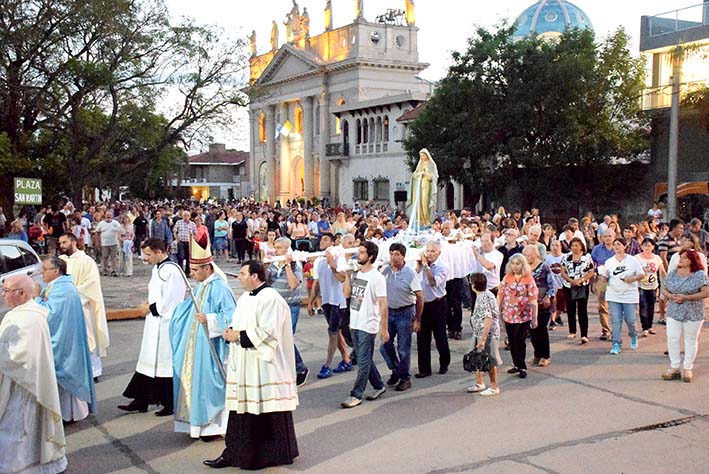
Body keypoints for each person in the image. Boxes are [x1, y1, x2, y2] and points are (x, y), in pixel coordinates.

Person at [204, 261, 298, 470]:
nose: (239, 277)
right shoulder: (246, 297)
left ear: (255, 276)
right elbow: (239, 322)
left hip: (263, 366)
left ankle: (263, 456)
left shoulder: (271, 298)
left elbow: (268, 332)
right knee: (241, 412)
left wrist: (239, 336)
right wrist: (230, 331)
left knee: (263, 412)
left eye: (242, 273)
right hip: (246, 364)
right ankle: (234, 453)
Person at [0, 275, 68, 474]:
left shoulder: (30, 319)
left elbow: (23, 358)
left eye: (6, 291)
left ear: (21, 293)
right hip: (18, 383)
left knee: (18, 431)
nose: (3, 295)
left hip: (26, 387)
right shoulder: (19, 313)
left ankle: (21, 468)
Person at [170, 237, 236, 439]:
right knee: (194, 384)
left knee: (209, 385)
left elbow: (231, 316)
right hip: (195, 344)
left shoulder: (220, 287)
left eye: (196, 270)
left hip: (210, 346)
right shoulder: (199, 286)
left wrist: (209, 318)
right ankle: (196, 425)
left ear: (207, 268)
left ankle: (214, 427)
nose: (192, 273)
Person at [119, 238, 187, 416]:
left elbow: (172, 299)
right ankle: (140, 400)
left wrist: (150, 308)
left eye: (148, 254)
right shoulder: (157, 268)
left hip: (165, 323)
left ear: (159, 252)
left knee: (163, 363)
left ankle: (169, 403)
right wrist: (148, 304)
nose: (145, 258)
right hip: (154, 321)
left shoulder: (171, 270)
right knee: (147, 360)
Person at [36, 256, 96, 423]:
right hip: (65, 337)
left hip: (65, 341)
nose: (41, 273)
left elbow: (49, 314)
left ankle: (70, 414)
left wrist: (37, 298)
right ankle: (67, 413)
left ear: (56, 271)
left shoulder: (64, 290)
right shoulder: (58, 286)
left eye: (45, 269)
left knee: (66, 377)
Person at [341, 242, 389, 408]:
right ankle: (379, 385)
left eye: (361, 253)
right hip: (354, 321)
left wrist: (384, 328)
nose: (358, 255)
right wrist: (348, 275)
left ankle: (356, 394)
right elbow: (346, 294)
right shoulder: (356, 274)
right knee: (365, 357)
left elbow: (383, 303)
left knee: (362, 360)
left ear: (370, 256)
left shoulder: (377, 278)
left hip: (368, 324)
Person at [58, 232, 109, 379]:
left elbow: (91, 284)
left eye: (64, 242)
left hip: (82, 305)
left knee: (88, 338)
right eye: (60, 243)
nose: (61, 246)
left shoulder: (87, 261)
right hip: (64, 306)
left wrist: (72, 295)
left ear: (73, 242)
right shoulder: (61, 261)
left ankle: (94, 371)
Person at [307, 232, 352, 378]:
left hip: (337, 301)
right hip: (326, 301)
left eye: (326, 239)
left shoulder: (339, 257)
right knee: (336, 332)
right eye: (321, 239)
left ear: (332, 242)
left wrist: (333, 266)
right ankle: (346, 359)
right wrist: (311, 301)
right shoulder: (319, 260)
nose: (322, 241)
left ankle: (327, 364)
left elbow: (342, 278)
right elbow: (316, 282)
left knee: (332, 332)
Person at [380, 243, 423, 392]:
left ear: (403, 256)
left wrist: (417, 319)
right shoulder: (385, 271)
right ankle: (396, 370)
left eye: (397, 254)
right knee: (385, 345)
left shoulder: (410, 274)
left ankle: (405, 378)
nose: (394, 257)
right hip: (389, 312)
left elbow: (419, 296)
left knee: (403, 348)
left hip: (405, 313)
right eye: (392, 254)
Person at [660, 250, 709, 383]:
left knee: (690, 340)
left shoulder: (699, 275)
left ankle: (688, 367)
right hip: (674, 310)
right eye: (680, 258)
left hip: (693, 312)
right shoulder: (673, 274)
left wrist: (687, 297)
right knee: (672, 338)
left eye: (684, 258)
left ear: (692, 261)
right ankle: (674, 367)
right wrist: (670, 296)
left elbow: (706, 292)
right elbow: (664, 288)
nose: (681, 260)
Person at [267, 237, 309, 386]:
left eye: (279, 248)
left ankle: (300, 368)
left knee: (286, 338)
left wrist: (286, 266)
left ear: (286, 248)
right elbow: (267, 282)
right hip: (275, 306)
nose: (276, 250)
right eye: (275, 247)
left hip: (290, 306)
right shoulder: (274, 264)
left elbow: (294, 284)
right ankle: (285, 369)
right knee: (276, 337)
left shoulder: (294, 263)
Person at [600, 238, 645, 355]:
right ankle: (616, 343)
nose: (616, 247)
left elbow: (641, 274)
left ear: (624, 246)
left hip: (629, 294)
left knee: (630, 319)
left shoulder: (633, 260)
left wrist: (632, 278)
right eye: (614, 245)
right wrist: (602, 280)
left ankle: (633, 335)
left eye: (619, 244)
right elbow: (605, 277)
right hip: (613, 294)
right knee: (615, 320)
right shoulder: (609, 262)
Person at [498, 254, 538, 379]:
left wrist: (534, 318)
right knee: (511, 341)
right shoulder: (507, 277)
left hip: (523, 315)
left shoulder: (528, 279)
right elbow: (500, 295)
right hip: (509, 314)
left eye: (518, 263)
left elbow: (533, 299)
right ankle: (516, 364)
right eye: (513, 263)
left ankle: (522, 366)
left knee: (519, 341)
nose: (515, 266)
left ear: (523, 265)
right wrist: (496, 310)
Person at [415, 240, 451, 378]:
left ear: (439, 253)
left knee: (440, 336)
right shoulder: (421, 263)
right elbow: (415, 276)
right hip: (423, 304)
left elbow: (433, 282)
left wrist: (426, 267)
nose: (429, 254)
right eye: (428, 251)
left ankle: (444, 363)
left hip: (438, 304)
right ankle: (424, 369)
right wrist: (419, 266)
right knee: (422, 338)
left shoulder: (442, 267)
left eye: (433, 251)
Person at [466, 273, 502, 396]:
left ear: (473, 285)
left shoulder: (482, 298)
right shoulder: (486, 294)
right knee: (477, 358)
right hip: (479, 333)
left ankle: (494, 386)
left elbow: (488, 318)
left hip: (486, 334)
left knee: (489, 360)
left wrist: (483, 339)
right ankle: (479, 382)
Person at [524, 245, 556, 367]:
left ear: (536, 254)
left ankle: (545, 356)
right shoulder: (524, 268)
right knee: (532, 331)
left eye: (529, 255)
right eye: (525, 255)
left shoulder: (544, 266)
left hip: (542, 302)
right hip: (528, 303)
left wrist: (548, 296)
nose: (527, 257)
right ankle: (537, 354)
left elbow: (551, 284)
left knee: (541, 330)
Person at [560, 238, 595, 343]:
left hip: (582, 285)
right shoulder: (566, 257)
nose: (574, 247)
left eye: (576, 245)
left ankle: (584, 334)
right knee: (570, 309)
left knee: (582, 310)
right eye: (572, 245)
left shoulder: (587, 257)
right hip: (569, 286)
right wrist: (571, 280)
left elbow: (591, 271)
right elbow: (563, 272)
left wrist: (582, 279)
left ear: (581, 246)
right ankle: (572, 331)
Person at [636, 238, 665, 337]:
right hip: (641, 285)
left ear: (653, 247)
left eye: (649, 246)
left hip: (653, 285)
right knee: (643, 305)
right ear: (641, 246)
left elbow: (661, 271)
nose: (647, 248)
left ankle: (650, 326)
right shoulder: (637, 258)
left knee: (651, 306)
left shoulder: (656, 258)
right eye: (645, 245)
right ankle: (644, 327)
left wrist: (667, 281)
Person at [591, 228, 615, 340]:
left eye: (610, 236)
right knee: (601, 304)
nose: (607, 238)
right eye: (605, 236)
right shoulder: (596, 249)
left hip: (616, 279)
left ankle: (616, 329)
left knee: (616, 304)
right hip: (602, 278)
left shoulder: (618, 248)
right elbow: (592, 264)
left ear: (614, 237)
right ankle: (605, 330)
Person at [407, 148, 439, 230]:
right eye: (420, 156)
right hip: (418, 186)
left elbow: (434, 177)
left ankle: (426, 219)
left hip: (426, 186)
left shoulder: (431, 164)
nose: (422, 157)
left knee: (425, 203)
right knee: (417, 202)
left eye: (423, 155)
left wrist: (426, 174)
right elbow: (414, 175)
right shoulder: (420, 164)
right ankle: (419, 219)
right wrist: (418, 175)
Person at [545, 239, 566, 328]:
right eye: (553, 245)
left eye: (557, 245)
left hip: (563, 283)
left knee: (562, 306)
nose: (555, 247)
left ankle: (556, 317)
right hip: (552, 285)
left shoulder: (565, 257)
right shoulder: (547, 258)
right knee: (553, 303)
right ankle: (552, 321)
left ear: (561, 247)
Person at [174, 210, 196, 276]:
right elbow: (175, 231)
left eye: (187, 215)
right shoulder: (179, 222)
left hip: (189, 242)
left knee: (188, 258)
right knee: (180, 257)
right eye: (184, 215)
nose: (186, 217)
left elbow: (195, 233)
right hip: (181, 242)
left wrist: (193, 240)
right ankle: (180, 271)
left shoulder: (192, 224)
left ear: (189, 216)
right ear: (182, 216)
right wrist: (177, 240)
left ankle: (187, 272)